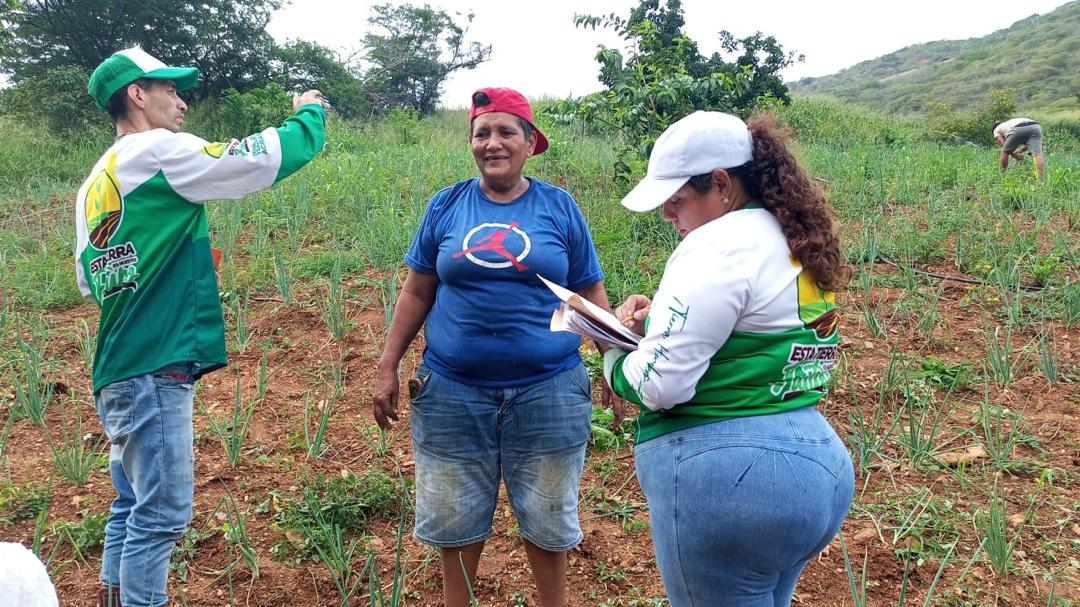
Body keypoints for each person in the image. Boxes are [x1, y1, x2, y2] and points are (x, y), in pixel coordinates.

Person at [76, 47, 328, 607]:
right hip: (155, 365)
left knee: (131, 504)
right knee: (163, 514)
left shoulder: (97, 180)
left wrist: (173, 265)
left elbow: (90, 281)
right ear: (138, 95)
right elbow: (257, 161)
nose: (182, 101)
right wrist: (309, 112)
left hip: (117, 368)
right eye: (170, 89)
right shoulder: (158, 151)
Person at [372, 87, 617, 607]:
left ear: (530, 142)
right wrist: (387, 365)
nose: (493, 143)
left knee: (549, 521)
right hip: (452, 393)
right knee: (455, 523)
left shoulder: (559, 206)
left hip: (548, 390)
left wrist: (614, 361)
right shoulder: (447, 205)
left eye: (507, 131)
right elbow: (418, 289)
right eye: (482, 133)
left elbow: (588, 292)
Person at [602, 111, 855, 607]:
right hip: (816, 465)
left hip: (732, 483)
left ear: (720, 183)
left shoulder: (714, 247)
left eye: (676, 201)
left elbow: (660, 386)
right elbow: (751, 326)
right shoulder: (788, 234)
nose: (668, 216)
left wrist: (612, 351)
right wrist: (659, 324)